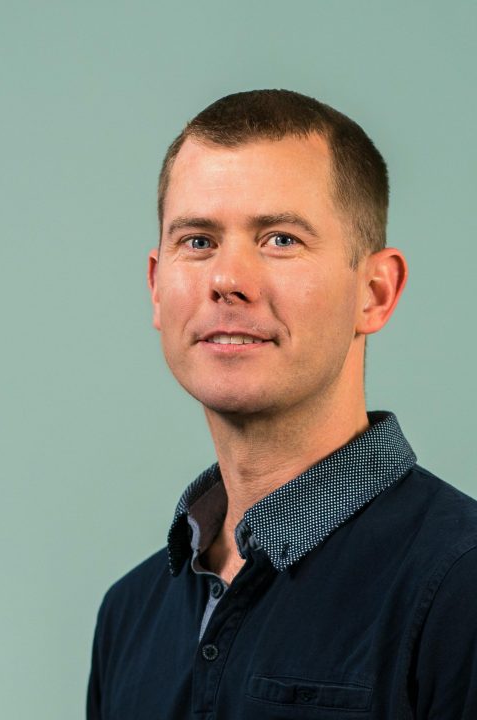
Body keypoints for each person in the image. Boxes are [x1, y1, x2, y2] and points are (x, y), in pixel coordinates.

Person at [87, 89, 477, 719]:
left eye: (280, 239)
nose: (227, 280)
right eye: (198, 241)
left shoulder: (461, 585)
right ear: (156, 288)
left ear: (375, 292)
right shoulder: (128, 616)